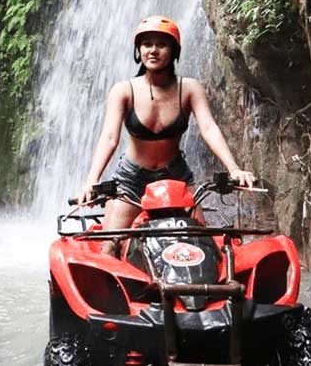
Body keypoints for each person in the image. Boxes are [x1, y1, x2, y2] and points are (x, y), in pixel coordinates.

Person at [77, 15, 256, 254]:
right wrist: (92, 179)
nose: (153, 50)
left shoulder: (190, 89)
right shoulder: (123, 91)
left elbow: (209, 128)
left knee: (203, 246)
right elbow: (110, 137)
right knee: (109, 247)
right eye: (147, 44)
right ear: (138, 50)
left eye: (161, 44)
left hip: (175, 176)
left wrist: (234, 169)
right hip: (131, 180)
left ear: (174, 51)